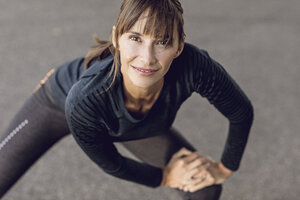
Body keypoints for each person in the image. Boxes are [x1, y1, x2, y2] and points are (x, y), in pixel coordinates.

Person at [0, 0, 254, 199]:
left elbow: (241, 112)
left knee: (204, 187)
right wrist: (164, 177)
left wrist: (225, 168)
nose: (147, 58)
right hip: (57, 103)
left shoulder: (194, 66)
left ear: (179, 47)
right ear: (116, 38)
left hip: (134, 124)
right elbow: (112, 164)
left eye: (162, 42)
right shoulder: (86, 98)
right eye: (135, 38)